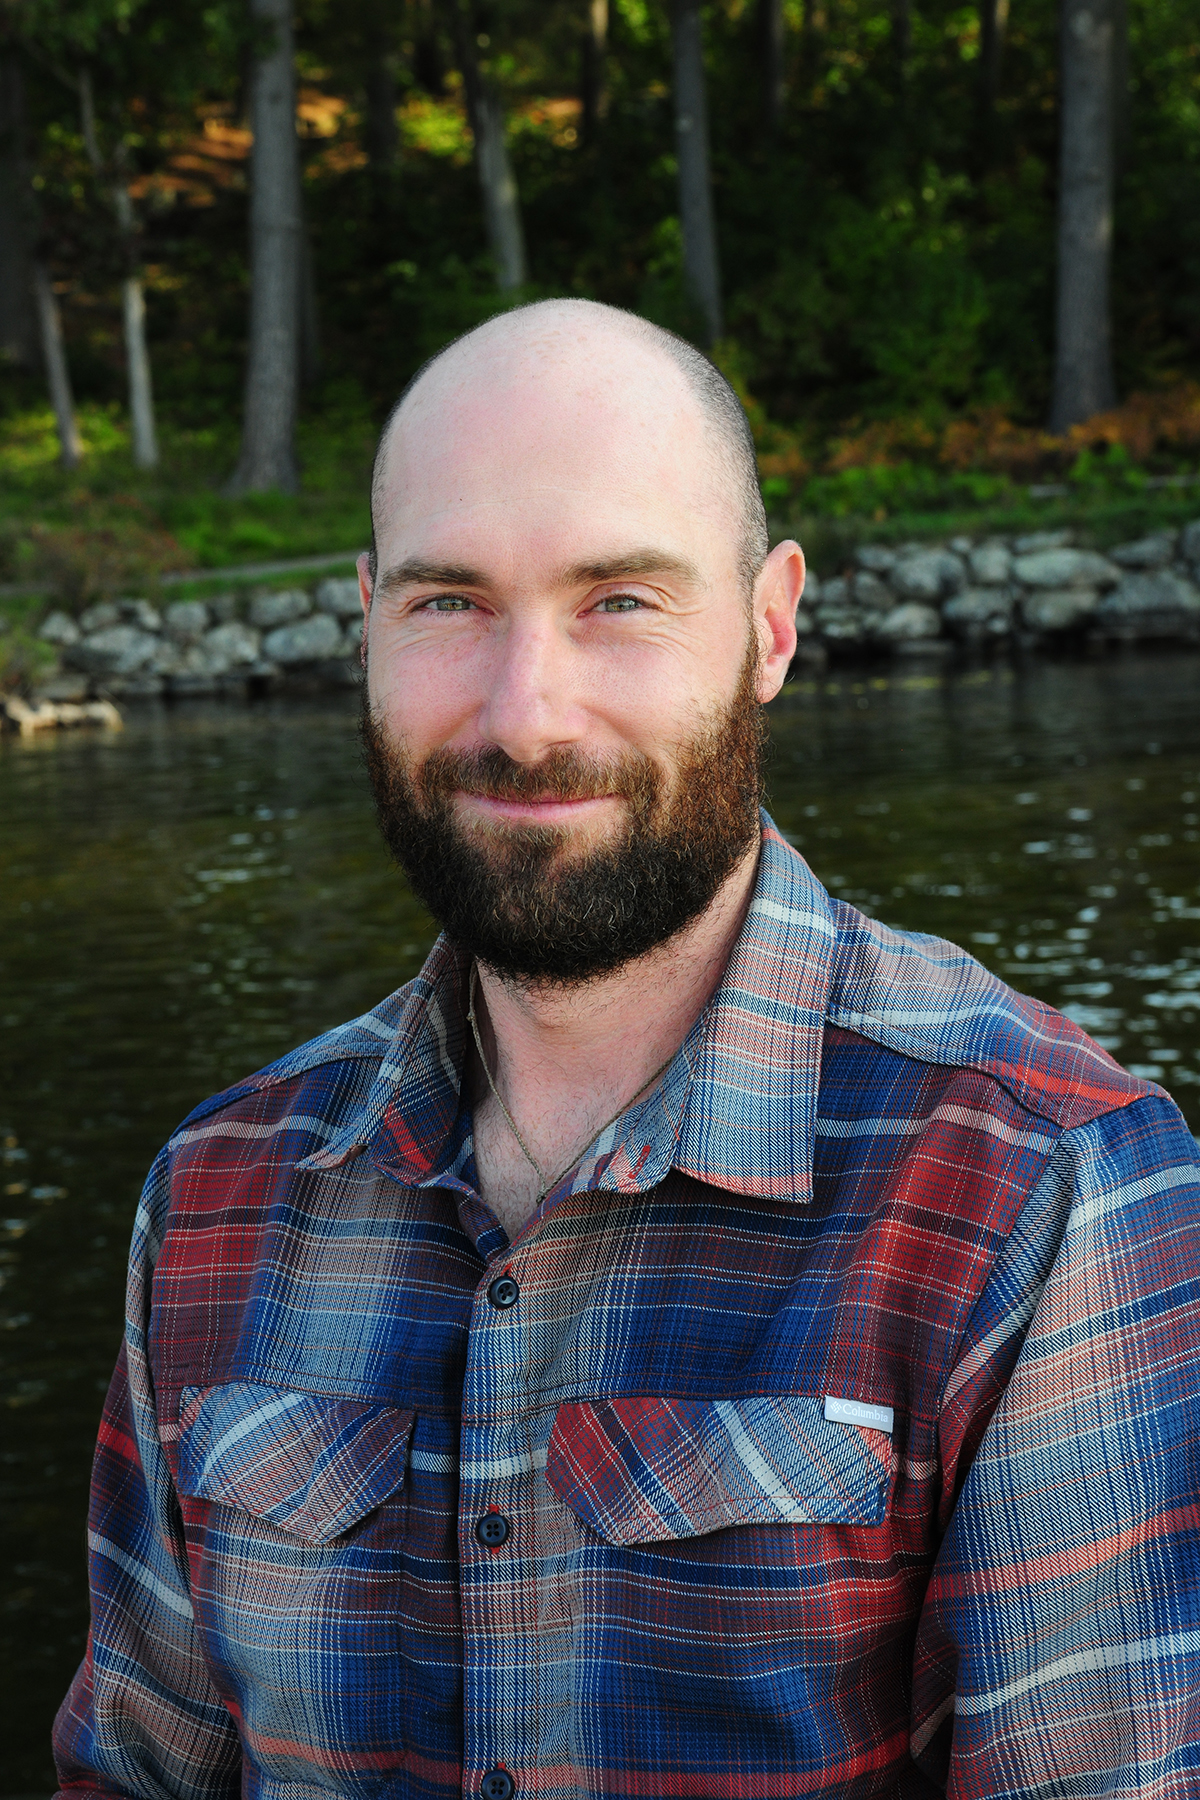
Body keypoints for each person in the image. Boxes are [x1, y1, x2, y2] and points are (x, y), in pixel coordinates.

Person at [55, 299, 1200, 1800]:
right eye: (449, 603)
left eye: (621, 600)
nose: (526, 716)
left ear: (771, 626)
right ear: (367, 619)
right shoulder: (218, 1195)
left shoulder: (1042, 1190)